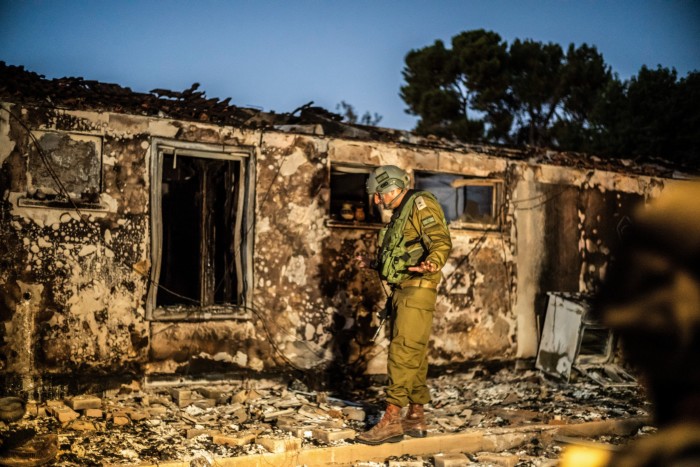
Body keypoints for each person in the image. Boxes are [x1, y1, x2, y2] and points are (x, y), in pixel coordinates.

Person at [355, 165, 452, 445]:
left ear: (394, 188)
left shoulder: (420, 204)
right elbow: (400, 256)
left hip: (417, 289)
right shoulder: (402, 213)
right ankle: (415, 416)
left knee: (402, 352)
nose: (376, 200)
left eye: (379, 194)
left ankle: (391, 419)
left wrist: (434, 261)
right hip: (404, 289)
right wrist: (374, 264)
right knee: (415, 354)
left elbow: (440, 241)